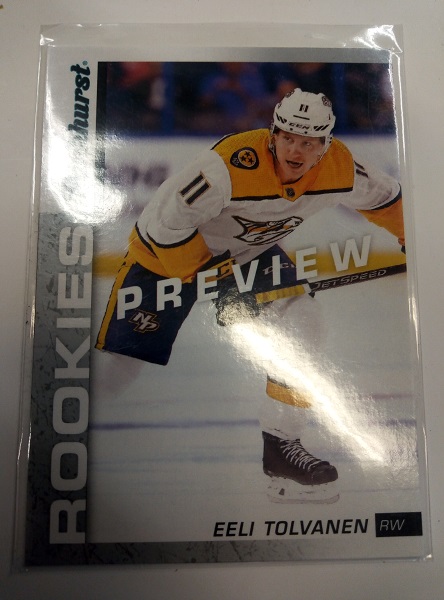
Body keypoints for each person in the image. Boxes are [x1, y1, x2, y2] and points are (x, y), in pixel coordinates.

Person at [96, 88, 405, 503]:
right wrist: (217, 280)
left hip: (250, 256)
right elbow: (164, 225)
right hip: (163, 259)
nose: (296, 150)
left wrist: (414, 237)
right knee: (120, 367)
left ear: (325, 144)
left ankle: (281, 448)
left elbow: (389, 201)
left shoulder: (340, 167)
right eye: (288, 138)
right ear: (273, 134)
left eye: (309, 142)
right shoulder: (228, 166)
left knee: (303, 320)